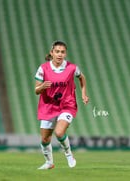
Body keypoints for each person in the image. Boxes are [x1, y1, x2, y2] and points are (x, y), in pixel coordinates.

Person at [34, 41, 89, 169]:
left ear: (65, 54)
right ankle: (49, 162)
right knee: (45, 139)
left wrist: (83, 94)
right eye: (57, 51)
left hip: (67, 105)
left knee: (59, 133)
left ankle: (68, 153)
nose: (60, 54)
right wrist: (42, 86)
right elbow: (36, 91)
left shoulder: (72, 68)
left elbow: (81, 78)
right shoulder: (43, 69)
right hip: (48, 106)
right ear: (52, 53)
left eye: (62, 52)